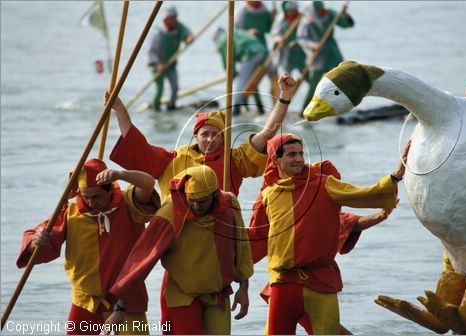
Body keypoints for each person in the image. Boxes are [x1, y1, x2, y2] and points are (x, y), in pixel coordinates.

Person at [106, 73, 297, 332]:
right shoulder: (171, 160)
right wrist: (119, 109)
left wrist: (284, 97)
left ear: (225, 137)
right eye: (205, 134)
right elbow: (137, 146)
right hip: (181, 248)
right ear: (195, 136)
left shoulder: (235, 160)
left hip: (218, 249)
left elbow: (265, 135)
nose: (210, 140)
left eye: (216, 134)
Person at [246, 134, 407, 334]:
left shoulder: (324, 184)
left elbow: (362, 193)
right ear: (276, 160)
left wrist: (395, 177)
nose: (298, 159)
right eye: (291, 155)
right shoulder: (267, 195)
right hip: (283, 281)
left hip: (321, 280)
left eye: (300, 154)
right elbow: (255, 238)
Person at [103, 166, 253, 335]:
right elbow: (141, 260)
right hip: (183, 297)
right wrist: (120, 309)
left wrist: (243, 287)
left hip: (217, 296)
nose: (196, 206)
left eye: (202, 201)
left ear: (214, 195)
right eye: (192, 200)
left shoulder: (229, 204)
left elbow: (241, 246)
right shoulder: (169, 213)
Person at [16, 159, 160, 335]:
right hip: (86, 298)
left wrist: (121, 174)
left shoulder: (129, 203)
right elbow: (39, 237)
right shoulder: (69, 211)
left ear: (109, 189)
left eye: (96, 196)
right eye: (86, 196)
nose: (91, 203)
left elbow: (148, 184)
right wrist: (35, 242)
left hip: (127, 297)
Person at [297, 1, 354, 115]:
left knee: (341, 77)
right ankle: (304, 111)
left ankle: (343, 107)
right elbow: (301, 39)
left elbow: (346, 25)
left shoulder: (330, 14)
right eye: (319, 10)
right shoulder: (306, 21)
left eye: (323, 8)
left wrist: (345, 14)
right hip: (317, 56)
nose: (323, 11)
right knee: (314, 85)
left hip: (332, 52)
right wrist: (314, 45)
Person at [213, 27, 270, 116]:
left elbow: (228, 62)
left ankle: (236, 111)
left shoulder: (223, 40)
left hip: (250, 54)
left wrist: (232, 74)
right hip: (263, 51)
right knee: (252, 82)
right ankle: (260, 109)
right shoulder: (236, 32)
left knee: (241, 83)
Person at [148, 6, 194, 112]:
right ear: (165, 20)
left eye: (175, 17)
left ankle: (171, 107)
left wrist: (189, 38)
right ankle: (156, 109)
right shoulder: (158, 33)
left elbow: (187, 34)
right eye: (172, 18)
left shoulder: (179, 27)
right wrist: (158, 65)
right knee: (159, 90)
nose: (175, 20)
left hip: (171, 65)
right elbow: (151, 53)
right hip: (158, 67)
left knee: (175, 88)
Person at [271, 1, 306, 75]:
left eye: (292, 10)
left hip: (300, 53)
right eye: (289, 10)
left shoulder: (303, 19)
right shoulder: (280, 19)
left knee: (306, 73)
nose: (291, 12)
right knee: (285, 75)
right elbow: (274, 33)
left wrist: (298, 42)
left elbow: (306, 35)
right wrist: (279, 39)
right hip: (285, 53)